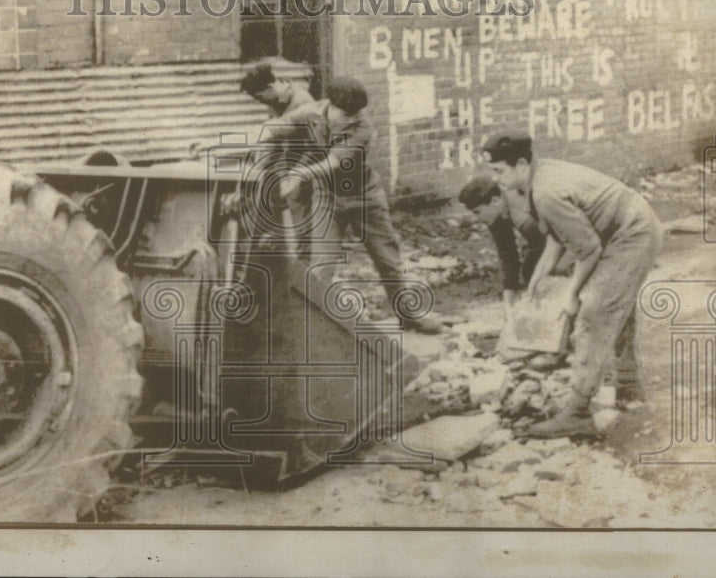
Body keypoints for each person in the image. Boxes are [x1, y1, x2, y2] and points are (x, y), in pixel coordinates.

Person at [482, 131, 662, 437]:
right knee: (616, 306)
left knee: (594, 312)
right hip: (626, 227)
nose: (495, 178)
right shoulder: (540, 177)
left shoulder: (545, 192)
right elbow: (559, 234)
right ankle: (630, 388)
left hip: (632, 234)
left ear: (522, 165)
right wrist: (540, 275)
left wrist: (572, 293)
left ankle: (577, 412)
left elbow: (588, 249)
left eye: (499, 170)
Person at [261, 77, 443, 335]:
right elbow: (276, 127)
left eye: (354, 115)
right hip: (327, 199)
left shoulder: (363, 126)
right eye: (345, 114)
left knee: (388, 260)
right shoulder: (313, 112)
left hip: (366, 199)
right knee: (321, 267)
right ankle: (308, 330)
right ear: (330, 106)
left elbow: (333, 162)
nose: (350, 119)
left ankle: (408, 316)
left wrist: (298, 176)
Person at [239, 60, 316, 243]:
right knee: (266, 195)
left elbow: (318, 145)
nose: (260, 102)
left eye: (259, 97)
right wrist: (258, 170)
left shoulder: (303, 102)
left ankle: (305, 260)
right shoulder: (275, 102)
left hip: (310, 163)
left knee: (298, 206)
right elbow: (272, 140)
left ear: (269, 87)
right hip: (290, 164)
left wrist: (297, 174)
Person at [458, 176, 545, 325]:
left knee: (534, 269)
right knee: (530, 268)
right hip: (544, 240)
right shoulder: (496, 215)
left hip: (566, 237)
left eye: (477, 212)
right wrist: (508, 304)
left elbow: (549, 246)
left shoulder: (524, 218)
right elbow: (507, 255)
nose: (477, 218)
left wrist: (536, 283)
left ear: (494, 201)